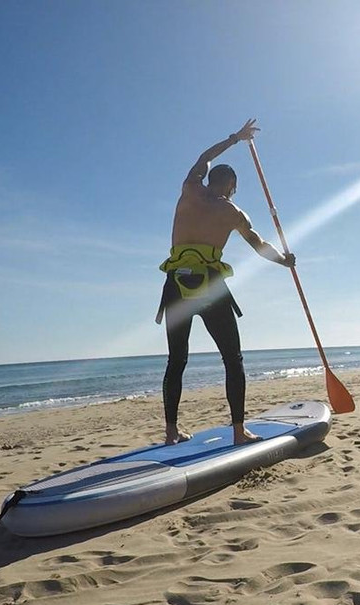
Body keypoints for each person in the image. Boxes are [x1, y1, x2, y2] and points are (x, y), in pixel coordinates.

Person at [156, 119, 295, 445]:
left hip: (176, 285)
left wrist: (235, 138)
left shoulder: (190, 190)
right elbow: (260, 245)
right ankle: (238, 431)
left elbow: (204, 156)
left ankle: (171, 432)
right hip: (209, 287)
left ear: (210, 178)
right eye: (234, 187)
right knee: (232, 359)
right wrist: (284, 261)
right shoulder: (234, 213)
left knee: (177, 360)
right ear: (230, 183)